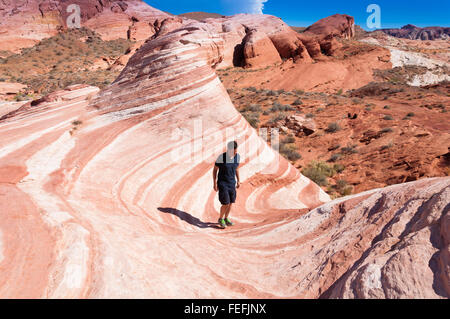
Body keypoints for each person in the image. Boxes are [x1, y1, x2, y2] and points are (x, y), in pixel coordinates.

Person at [213, 141, 240, 229]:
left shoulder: (237, 157)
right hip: (223, 183)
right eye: (234, 151)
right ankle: (220, 219)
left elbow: (236, 169)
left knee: (231, 202)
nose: (235, 152)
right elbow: (215, 170)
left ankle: (226, 218)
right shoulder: (221, 157)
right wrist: (214, 183)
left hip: (232, 183)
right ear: (229, 149)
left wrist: (239, 180)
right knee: (226, 203)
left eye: (236, 151)